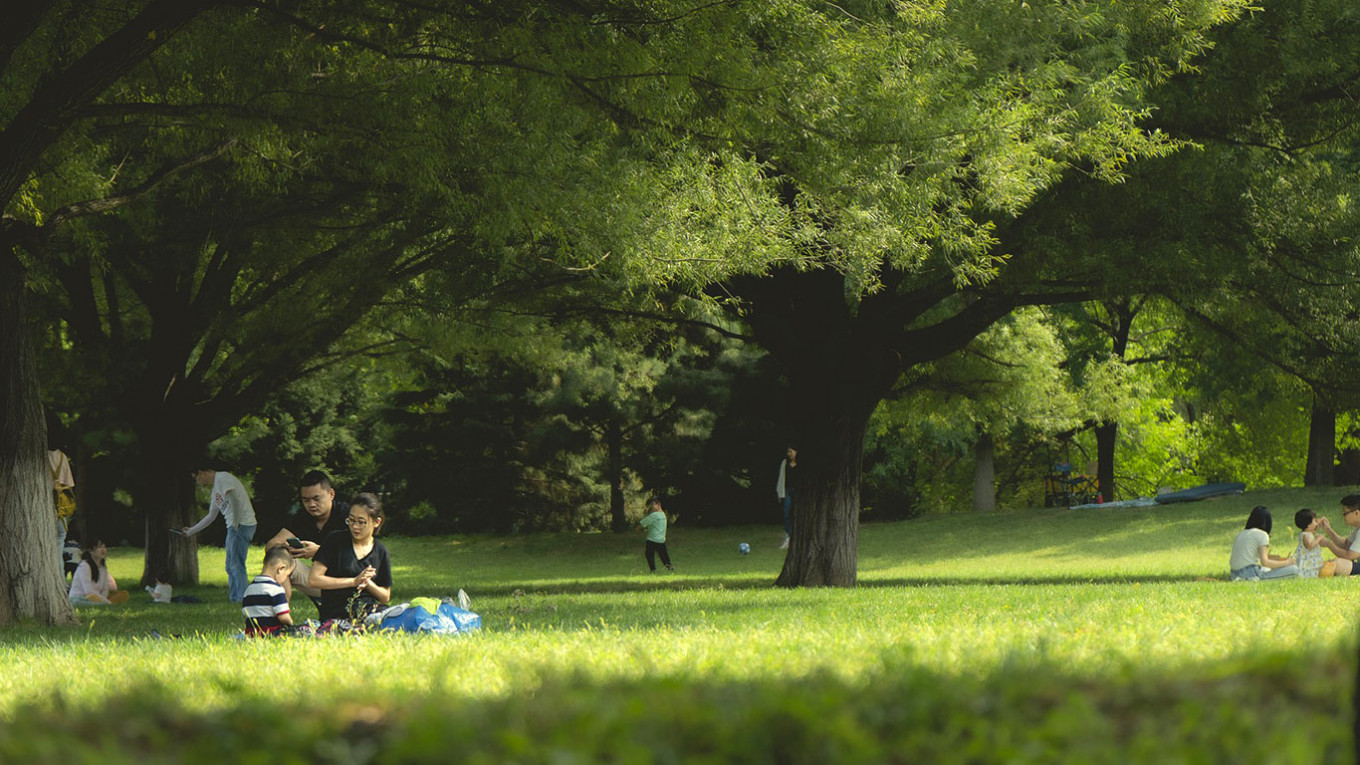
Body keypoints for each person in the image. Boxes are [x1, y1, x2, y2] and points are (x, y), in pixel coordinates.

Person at [262, 470, 347, 602]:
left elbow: (359, 553)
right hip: (319, 581)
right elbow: (272, 545)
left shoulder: (347, 515)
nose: (311, 505)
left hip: (351, 582)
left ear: (331, 494)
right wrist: (286, 549)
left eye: (316, 498)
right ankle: (281, 614)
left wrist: (319, 551)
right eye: (306, 500)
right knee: (278, 561)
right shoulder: (303, 517)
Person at [309, 492, 392, 623]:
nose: (354, 526)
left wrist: (367, 583)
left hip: (369, 610)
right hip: (337, 613)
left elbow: (385, 596)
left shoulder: (381, 551)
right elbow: (314, 580)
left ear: (376, 522)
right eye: (351, 520)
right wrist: (353, 581)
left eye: (361, 522)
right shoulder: (334, 540)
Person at [182, 466, 258, 603]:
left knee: (236, 564)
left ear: (201, 472)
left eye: (196, 479)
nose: (198, 483)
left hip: (241, 526)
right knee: (230, 565)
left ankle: (242, 599)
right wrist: (191, 531)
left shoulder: (222, 478)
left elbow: (235, 499)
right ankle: (234, 598)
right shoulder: (215, 491)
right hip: (233, 527)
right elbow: (211, 516)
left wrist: (235, 523)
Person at [1228, 506, 1298, 581]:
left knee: (1266, 569)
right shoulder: (1262, 534)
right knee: (1294, 570)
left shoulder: (1241, 533)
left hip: (1234, 573)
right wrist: (1288, 562)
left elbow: (1254, 555)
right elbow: (1265, 562)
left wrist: (1277, 559)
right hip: (1250, 573)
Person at [242, 547, 296, 636]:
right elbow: (284, 617)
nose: (285, 579)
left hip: (251, 633)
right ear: (281, 569)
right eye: (287, 575)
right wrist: (291, 624)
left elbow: (245, 611)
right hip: (271, 632)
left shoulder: (249, 589)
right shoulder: (276, 589)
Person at [68, 539, 130, 605]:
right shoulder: (84, 566)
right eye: (99, 547)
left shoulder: (103, 567)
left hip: (97, 597)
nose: (103, 550)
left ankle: (105, 603)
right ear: (91, 551)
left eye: (104, 547)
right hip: (81, 598)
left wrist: (103, 599)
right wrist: (104, 601)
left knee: (124, 594)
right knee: (92, 597)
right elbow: (88, 591)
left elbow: (105, 588)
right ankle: (107, 603)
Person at [1292, 508, 1344, 578]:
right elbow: (1310, 546)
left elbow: (1313, 526)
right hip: (1308, 561)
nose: (1317, 523)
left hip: (1312, 559)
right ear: (1308, 524)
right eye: (1315, 521)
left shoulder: (1308, 532)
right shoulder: (1306, 536)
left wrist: (1320, 521)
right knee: (1315, 570)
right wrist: (1318, 539)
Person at [48, 444, 75, 573]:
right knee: (59, 543)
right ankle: (60, 578)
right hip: (61, 510)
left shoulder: (39, 456)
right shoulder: (62, 457)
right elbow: (70, 484)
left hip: (46, 508)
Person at [639, 496, 673, 572]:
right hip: (661, 539)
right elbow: (654, 525)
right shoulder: (663, 515)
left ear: (658, 505)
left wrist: (638, 529)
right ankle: (669, 566)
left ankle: (652, 569)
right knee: (663, 555)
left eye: (653, 505)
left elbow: (643, 524)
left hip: (652, 538)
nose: (652, 507)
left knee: (649, 554)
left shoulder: (654, 515)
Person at [775, 445, 797, 550]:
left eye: (791, 451)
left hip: (798, 491)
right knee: (787, 512)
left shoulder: (800, 464)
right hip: (787, 490)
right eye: (788, 452)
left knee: (797, 513)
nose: (789, 454)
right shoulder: (785, 463)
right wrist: (780, 493)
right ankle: (789, 536)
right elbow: (781, 478)